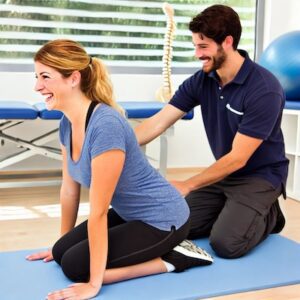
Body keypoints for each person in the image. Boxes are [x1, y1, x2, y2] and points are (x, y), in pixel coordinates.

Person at [26, 39, 213, 300]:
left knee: (75, 267)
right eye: (36, 77)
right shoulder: (67, 124)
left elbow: (99, 211)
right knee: (61, 254)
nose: (37, 86)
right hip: (130, 213)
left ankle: (176, 257)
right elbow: (69, 189)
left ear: (73, 78)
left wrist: (94, 283)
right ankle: (76, 257)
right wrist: (60, 245)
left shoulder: (105, 126)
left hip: (162, 219)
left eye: (45, 77)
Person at [135, 4, 288, 259]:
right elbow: (159, 121)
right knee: (175, 226)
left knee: (226, 244)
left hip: (260, 177)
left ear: (227, 42)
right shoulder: (203, 79)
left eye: (203, 47)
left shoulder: (264, 89)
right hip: (225, 173)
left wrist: (188, 184)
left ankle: (270, 214)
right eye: (196, 46)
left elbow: (239, 157)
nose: (197, 54)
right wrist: (117, 145)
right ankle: (234, 210)